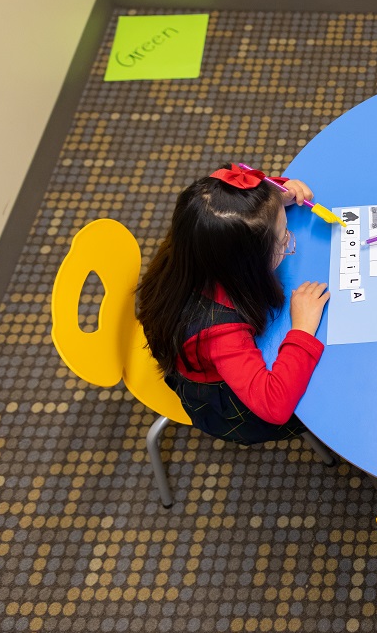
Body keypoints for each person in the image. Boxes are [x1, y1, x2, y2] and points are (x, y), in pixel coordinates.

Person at [137, 163, 331, 445]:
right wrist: (301, 329)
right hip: (227, 405)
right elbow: (274, 406)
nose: (289, 243)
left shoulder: (198, 242)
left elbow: (235, 207)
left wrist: (276, 199)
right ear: (246, 264)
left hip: (194, 342)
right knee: (321, 399)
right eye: (282, 239)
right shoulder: (220, 332)